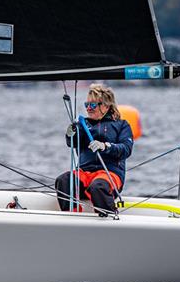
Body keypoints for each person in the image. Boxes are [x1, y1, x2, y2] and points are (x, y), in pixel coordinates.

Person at [55, 84, 133, 216]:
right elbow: (72, 143)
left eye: (93, 105)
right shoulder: (83, 125)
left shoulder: (122, 125)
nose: (88, 109)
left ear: (106, 106)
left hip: (110, 174)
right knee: (63, 181)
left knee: (98, 187)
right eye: (87, 105)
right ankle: (72, 216)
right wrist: (70, 133)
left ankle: (108, 216)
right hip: (85, 173)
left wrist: (106, 146)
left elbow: (126, 149)